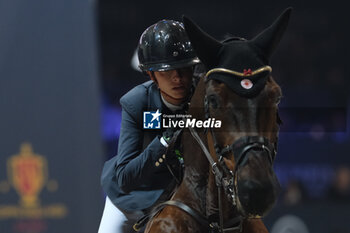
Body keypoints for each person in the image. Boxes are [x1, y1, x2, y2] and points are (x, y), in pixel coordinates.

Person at [98, 19, 202, 233]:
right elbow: (126, 177)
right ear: (151, 74)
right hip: (132, 198)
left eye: (184, 68)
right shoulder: (137, 103)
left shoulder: (205, 95)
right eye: (167, 71)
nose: (178, 78)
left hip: (180, 196)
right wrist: (165, 140)